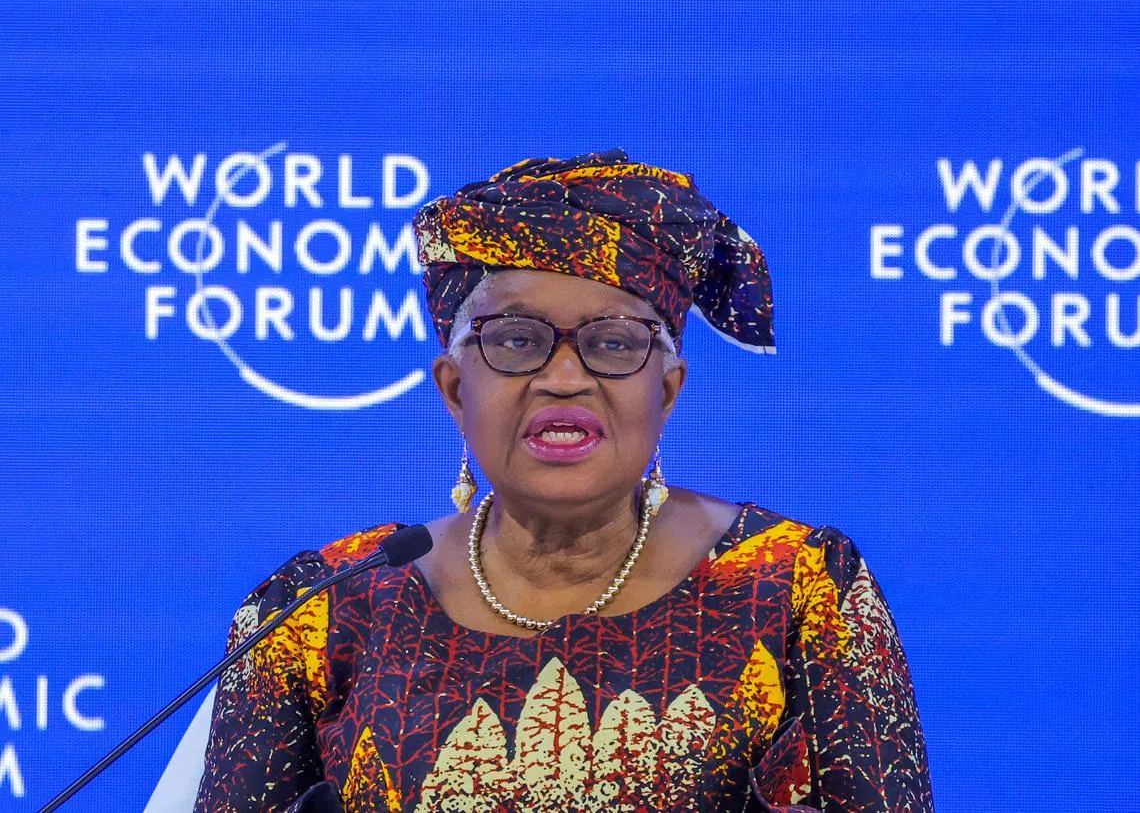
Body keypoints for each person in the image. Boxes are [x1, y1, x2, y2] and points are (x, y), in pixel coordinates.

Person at [194, 150, 934, 813]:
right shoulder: (322, 609)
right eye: (517, 341)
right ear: (454, 389)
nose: (565, 377)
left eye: (613, 343)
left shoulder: (798, 588)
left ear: (667, 391)